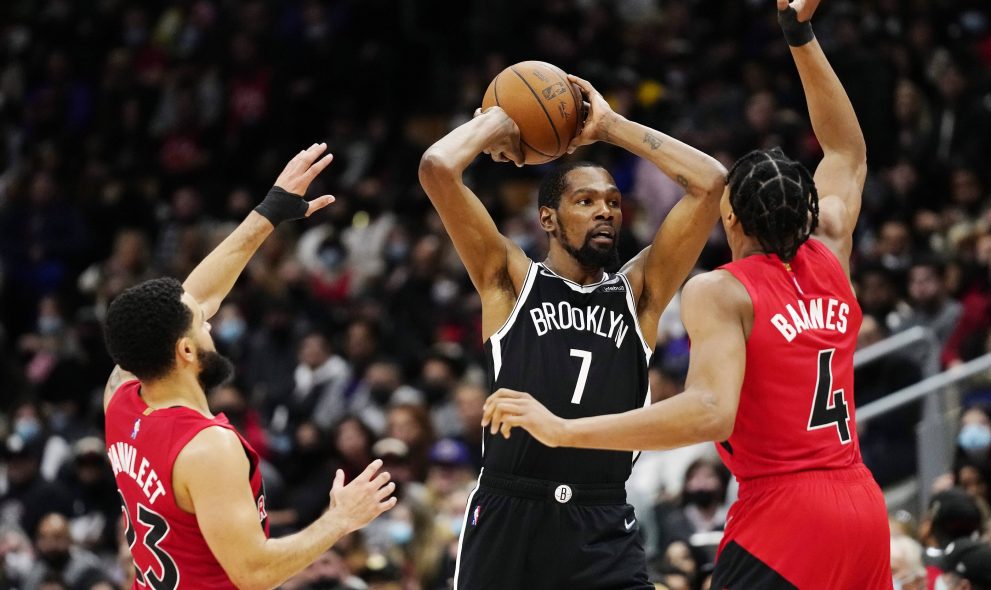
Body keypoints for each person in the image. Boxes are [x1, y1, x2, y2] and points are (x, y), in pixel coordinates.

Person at [483, 0, 893, 587]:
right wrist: (800, 36)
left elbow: (710, 411)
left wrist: (565, 429)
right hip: (862, 505)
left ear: (729, 219)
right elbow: (846, 152)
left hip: (786, 514)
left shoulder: (723, 291)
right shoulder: (830, 247)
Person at [419, 50, 727, 589]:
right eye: (585, 201)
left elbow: (711, 182)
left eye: (612, 200)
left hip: (601, 520)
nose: (605, 210)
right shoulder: (511, 281)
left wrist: (611, 126)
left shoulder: (641, 293)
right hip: (510, 511)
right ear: (548, 220)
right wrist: (500, 119)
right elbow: (438, 169)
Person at [101, 143, 397, 590]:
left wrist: (269, 212)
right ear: (184, 351)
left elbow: (197, 296)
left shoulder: (121, 400)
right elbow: (254, 572)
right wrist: (339, 520)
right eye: (203, 324)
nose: (210, 322)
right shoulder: (208, 447)